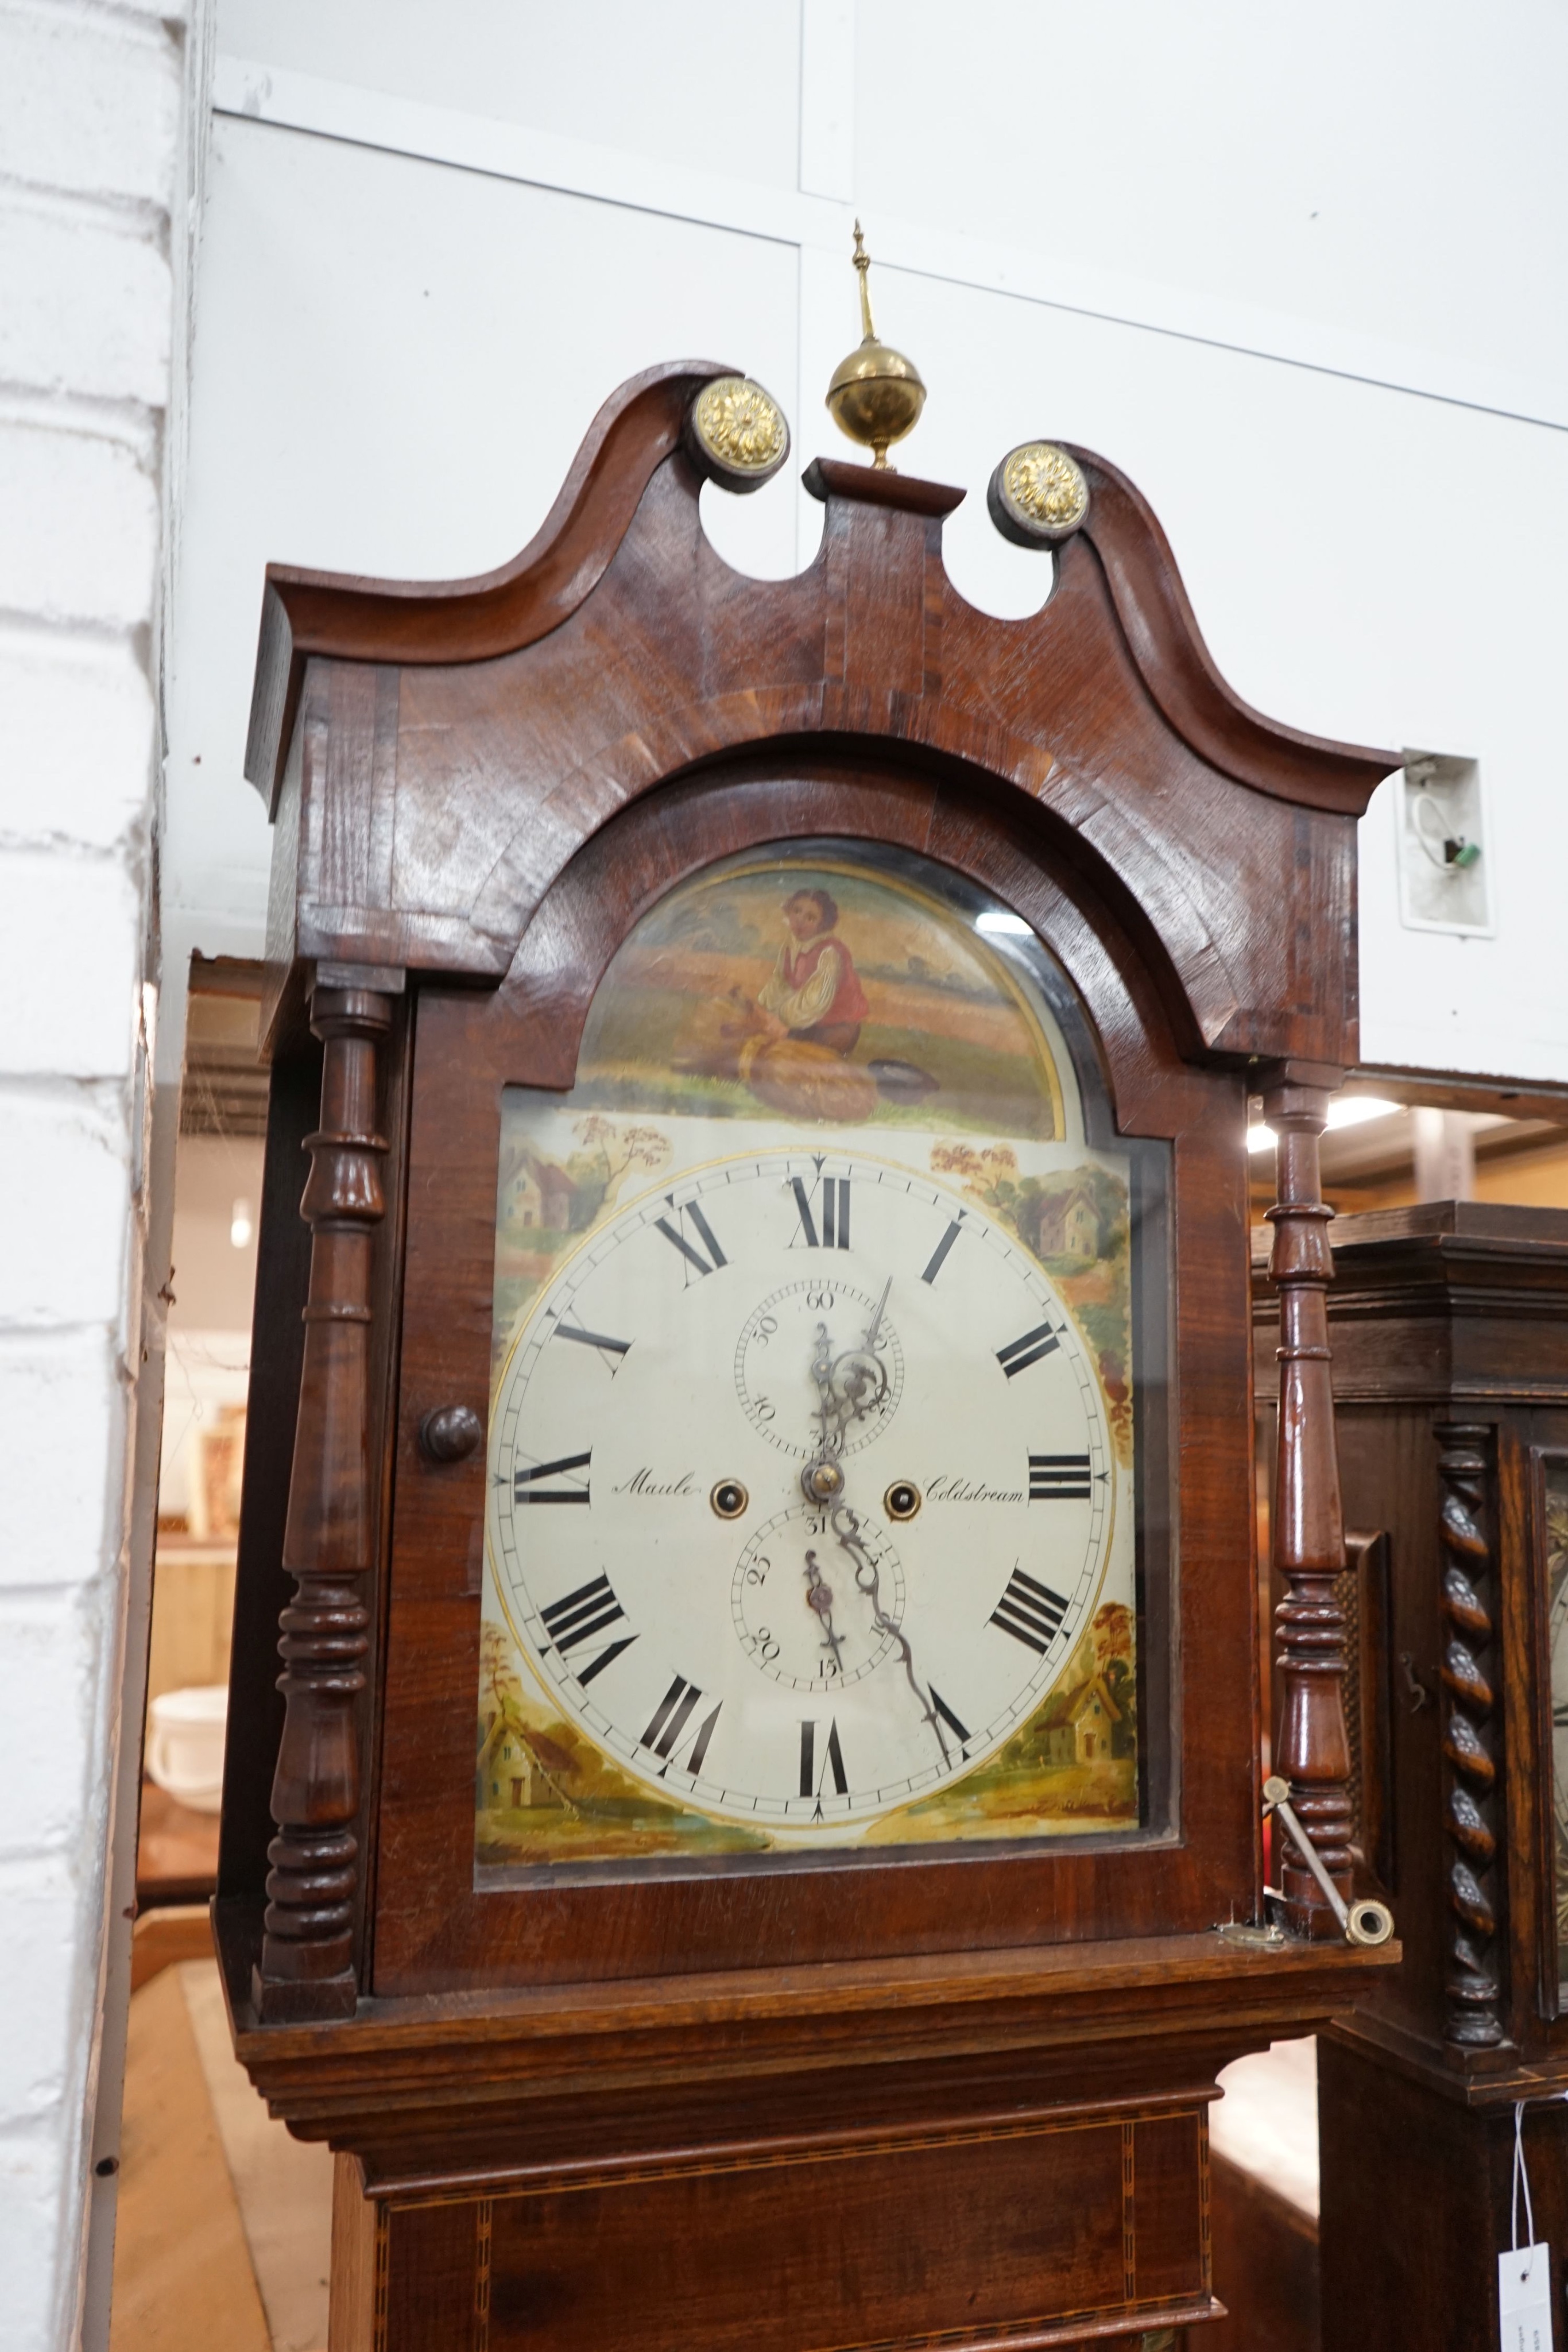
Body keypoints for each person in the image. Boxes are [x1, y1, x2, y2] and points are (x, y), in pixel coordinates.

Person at [755, 887, 869, 1057]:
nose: (800, 920)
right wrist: (764, 1010)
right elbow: (779, 983)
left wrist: (782, 1021)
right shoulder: (790, 946)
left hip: (836, 1028)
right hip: (804, 1022)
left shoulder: (830, 952)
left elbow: (815, 1002)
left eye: (810, 918)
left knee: (784, 1057)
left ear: (823, 924)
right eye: (797, 911)